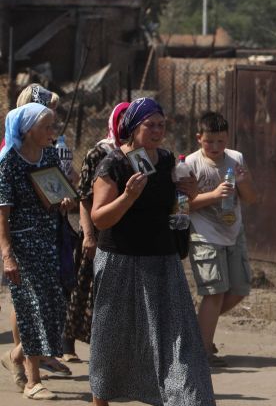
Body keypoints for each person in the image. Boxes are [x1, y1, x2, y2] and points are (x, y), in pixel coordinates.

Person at [88, 97, 213, 406]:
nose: (157, 131)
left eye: (161, 125)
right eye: (150, 125)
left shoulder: (169, 161)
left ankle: (187, 398)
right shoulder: (113, 164)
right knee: (112, 342)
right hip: (120, 263)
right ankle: (101, 399)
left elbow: (178, 208)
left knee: (178, 341)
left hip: (162, 261)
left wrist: (188, 193)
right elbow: (100, 217)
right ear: (133, 127)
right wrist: (128, 196)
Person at [0, 103, 74, 399]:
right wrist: (7, 255)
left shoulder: (50, 154)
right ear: (28, 130)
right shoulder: (9, 163)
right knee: (33, 308)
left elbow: (60, 191)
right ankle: (33, 382)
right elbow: (2, 214)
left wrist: (65, 201)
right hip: (23, 244)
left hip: (51, 240)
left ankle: (16, 356)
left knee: (55, 307)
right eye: (47, 126)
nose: (52, 132)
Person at [186, 111, 259, 367]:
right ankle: (203, 350)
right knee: (214, 292)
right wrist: (215, 195)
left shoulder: (236, 158)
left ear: (227, 138)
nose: (216, 147)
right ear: (199, 138)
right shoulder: (190, 164)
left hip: (233, 231)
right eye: (209, 142)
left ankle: (195, 333)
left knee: (239, 288)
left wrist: (245, 180)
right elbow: (183, 206)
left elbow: (250, 198)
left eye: (220, 141)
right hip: (204, 234)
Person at [64, 102, 130, 362]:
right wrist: (88, 235)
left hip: (122, 235)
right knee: (82, 291)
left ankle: (109, 354)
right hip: (95, 232)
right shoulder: (98, 153)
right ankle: (67, 345)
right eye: (122, 121)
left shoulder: (134, 154)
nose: (126, 127)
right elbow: (84, 197)